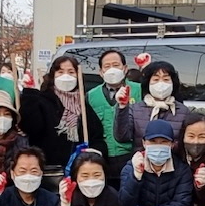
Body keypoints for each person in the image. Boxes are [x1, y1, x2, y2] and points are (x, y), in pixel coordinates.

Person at [19, 55, 105, 168]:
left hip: (77, 171)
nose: (66, 76)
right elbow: (31, 127)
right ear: (53, 76)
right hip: (47, 169)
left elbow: (96, 137)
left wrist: (93, 153)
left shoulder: (83, 106)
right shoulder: (42, 101)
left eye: (71, 72)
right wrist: (29, 94)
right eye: (60, 72)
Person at [86, 49, 142, 186]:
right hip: (103, 159)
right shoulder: (91, 96)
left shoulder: (139, 90)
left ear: (125, 68)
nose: (112, 69)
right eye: (107, 66)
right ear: (101, 72)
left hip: (131, 156)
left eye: (116, 65)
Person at [114, 61, 190, 151]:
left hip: (174, 163)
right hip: (141, 162)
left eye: (166, 79)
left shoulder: (183, 111)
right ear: (148, 83)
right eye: (156, 79)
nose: (161, 84)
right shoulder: (135, 109)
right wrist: (122, 107)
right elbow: (122, 137)